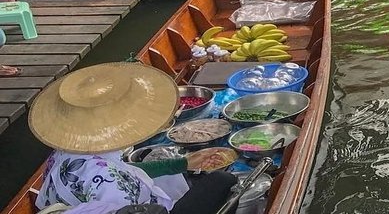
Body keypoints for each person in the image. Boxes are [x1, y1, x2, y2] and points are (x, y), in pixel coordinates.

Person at [31, 62, 236, 214]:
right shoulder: (111, 186)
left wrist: (182, 164)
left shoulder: (66, 151)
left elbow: (122, 172)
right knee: (223, 181)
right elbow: (116, 180)